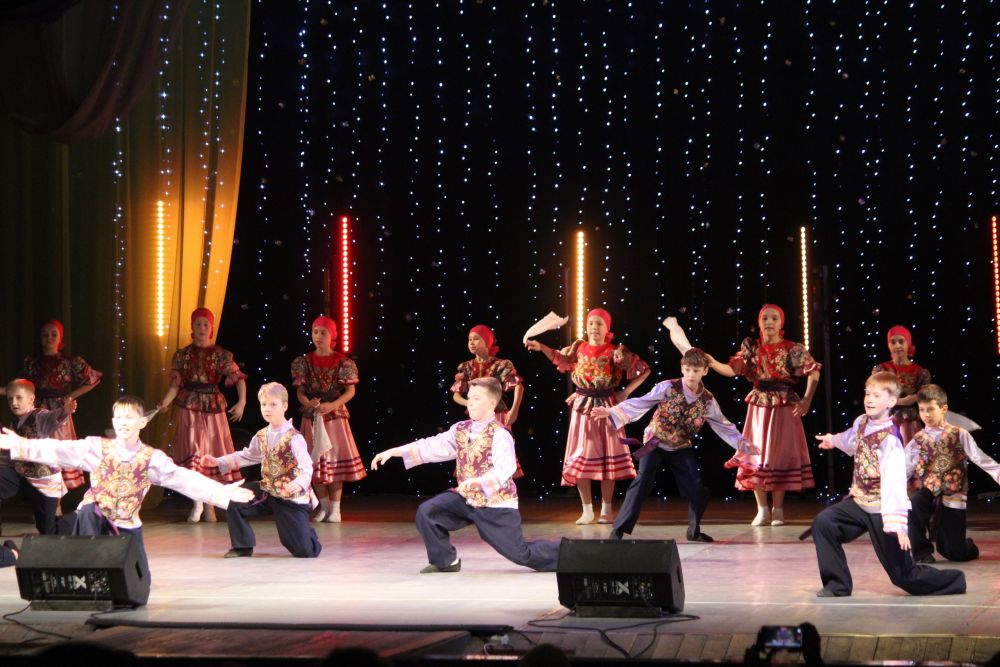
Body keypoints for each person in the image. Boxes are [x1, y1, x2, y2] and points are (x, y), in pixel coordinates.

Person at [0, 396, 253, 577]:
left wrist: (221, 493)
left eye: (129, 417)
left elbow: (183, 478)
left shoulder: (151, 458)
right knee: (88, 514)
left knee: (138, 583)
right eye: (119, 417)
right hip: (95, 518)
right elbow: (59, 449)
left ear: (142, 422)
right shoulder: (98, 448)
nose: (123, 422)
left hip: (127, 523)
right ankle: (88, 573)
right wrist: (21, 445)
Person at [371, 377, 559, 573]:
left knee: (521, 554)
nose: (470, 402)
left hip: (494, 503)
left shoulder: (500, 434)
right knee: (428, 512)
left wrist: (479, 482)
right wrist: (395, 451)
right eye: (469, 398)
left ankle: (567, 553)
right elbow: (432, 445)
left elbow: (506, 468)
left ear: (492, 404)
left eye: (476, 398)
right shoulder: (460, 429)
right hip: (466, 499)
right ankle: (446, 561)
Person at [811, 372, 965, 597]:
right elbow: (852, 439)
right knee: (824, 523)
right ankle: (837, 585)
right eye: (867, 393)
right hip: (860, 502)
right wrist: (833, 440)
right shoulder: (862, 421)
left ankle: (955, 580)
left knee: (904, 577)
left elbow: (894, 483)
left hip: (883, 509)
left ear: (892, 401)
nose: (869, 399)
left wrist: (897, 524)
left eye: (876, 395)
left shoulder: (890, 439)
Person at [592, 348, 759, 542]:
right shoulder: (668, 387)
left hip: (680, 446)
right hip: (655, 442)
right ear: (682, 368)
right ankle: (618, 531)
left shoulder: (707, 400)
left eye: (696, 370)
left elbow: (723, 425)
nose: (691, 374)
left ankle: (694, 532)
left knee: (697, 489)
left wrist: (743, 443)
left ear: (705, 371)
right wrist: (611, 412)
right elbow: (642, 402)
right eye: (687, 369)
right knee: (642, 482)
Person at [525, 308, 650, 524]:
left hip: (607, 407)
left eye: (599, 324)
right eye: (591, 323)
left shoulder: (615, 352)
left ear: (607, 329)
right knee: (581, 455)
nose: (594, 327)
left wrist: (626, 392)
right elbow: (559, 357)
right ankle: (587, 510)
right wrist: (541, 346)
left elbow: (644, 370)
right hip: (582, 407)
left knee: (607, 458)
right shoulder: (579, 347)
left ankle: (606, 510)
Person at [703, 304, 820, 526]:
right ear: (759, 322)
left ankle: (778, 509)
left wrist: (806, 400)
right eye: (765, 318)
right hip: (759, 405)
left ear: (781, 323)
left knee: (779, 455)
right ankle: (762, 509)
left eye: (774, 318)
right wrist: (712, 362)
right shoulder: (752, 348)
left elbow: (813, 371)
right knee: (755, 454)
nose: (769, 322)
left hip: (784, 404)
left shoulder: (792, 348)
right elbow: (733, 370)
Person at [204, 382, 322, 559]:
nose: (267, 409)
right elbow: (247, 456)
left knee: (305, 551)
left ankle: (306, 533)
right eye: (264, 404)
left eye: (273, 404)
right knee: (234, 497)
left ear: (284, 406)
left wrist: (299, 483)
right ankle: (242, 546)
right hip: (268, 491)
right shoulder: (261, 435)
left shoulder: (294, 438)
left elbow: (306, 467)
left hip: (290, 497)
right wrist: (218, 461)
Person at [158, 307, 246, 523]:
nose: (202, 328)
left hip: (212, 408)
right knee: (194, 454)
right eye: (198, 324)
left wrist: (242, 402)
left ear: (211, 328)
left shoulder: (220, 355)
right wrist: (165, 403)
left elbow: (238, 378)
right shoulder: (183, 355)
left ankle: (210, 506)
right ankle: (197, 504)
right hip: (190, 407)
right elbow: (175, 385)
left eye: (205, 324)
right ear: (192, 327)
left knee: (211, 454)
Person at [4, 320, 103, 497]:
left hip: (58, 411)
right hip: (34, 410)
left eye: (53, 334)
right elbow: (17, 388)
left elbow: (92, 379)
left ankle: (55, 503)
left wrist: (70, 396)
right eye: (45, 334)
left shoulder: (70, 362)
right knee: (36, 452)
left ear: (60, 338)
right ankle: (41, 497)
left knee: (57, 453)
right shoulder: (32, 362)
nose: (49, 338)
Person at [907, 384, 1000, 563]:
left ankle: (966, 547)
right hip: (930, 488)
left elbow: (980, 458)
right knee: (913, 505)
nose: (926, 414)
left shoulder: (959, 434)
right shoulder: (918, 439)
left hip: (954, 490)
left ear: (943, 409)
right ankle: (922, 552)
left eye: (930, 409)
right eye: (922, 410)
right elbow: (904, 467)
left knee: (953, 553)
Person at [290, 316, 365, 523]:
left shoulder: (342, 361)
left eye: (323, 332)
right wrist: (308, 402)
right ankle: (324, 507)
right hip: (312, 416)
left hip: (334, 416)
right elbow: (300, 392)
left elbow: (350, 391)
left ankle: (336, 509)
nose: (318, 336)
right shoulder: (304, 361)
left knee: (333, 461)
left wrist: (332, 405)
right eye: (315, 332)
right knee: (313, 462)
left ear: (332, 335)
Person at [1, 379, 75, 534]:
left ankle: (77, 524)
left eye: (18, 398)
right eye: (10, 399)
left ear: (31, 399)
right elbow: (10, 454)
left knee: (47, 528)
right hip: (24, 477)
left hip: (44, 480)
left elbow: (52, 418)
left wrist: (65, 411)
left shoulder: (39, 416)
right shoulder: (14, 424)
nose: (14, 403)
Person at [452, 325, 525, 426]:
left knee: (498, 436)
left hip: (497, 415)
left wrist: (514, 411)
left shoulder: (500, 365)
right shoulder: (466, 367)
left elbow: (518, 386)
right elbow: (456, 394)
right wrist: (468, 402)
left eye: (476, 339)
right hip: (476, 417)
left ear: (487, 341)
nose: (471, 342)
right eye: (469, 339)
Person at [873, 325, 931, 444]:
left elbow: (924, 396)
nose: (897, 346)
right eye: (893, 342)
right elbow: (876, 396)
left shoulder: (919, 372)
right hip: (886, 420)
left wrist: (915, 398)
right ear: (889, 346)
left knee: (910, 451)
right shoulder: (882, 369)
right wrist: (902, 402)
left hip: (910, 422)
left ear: (908, 344)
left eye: (901, 341)